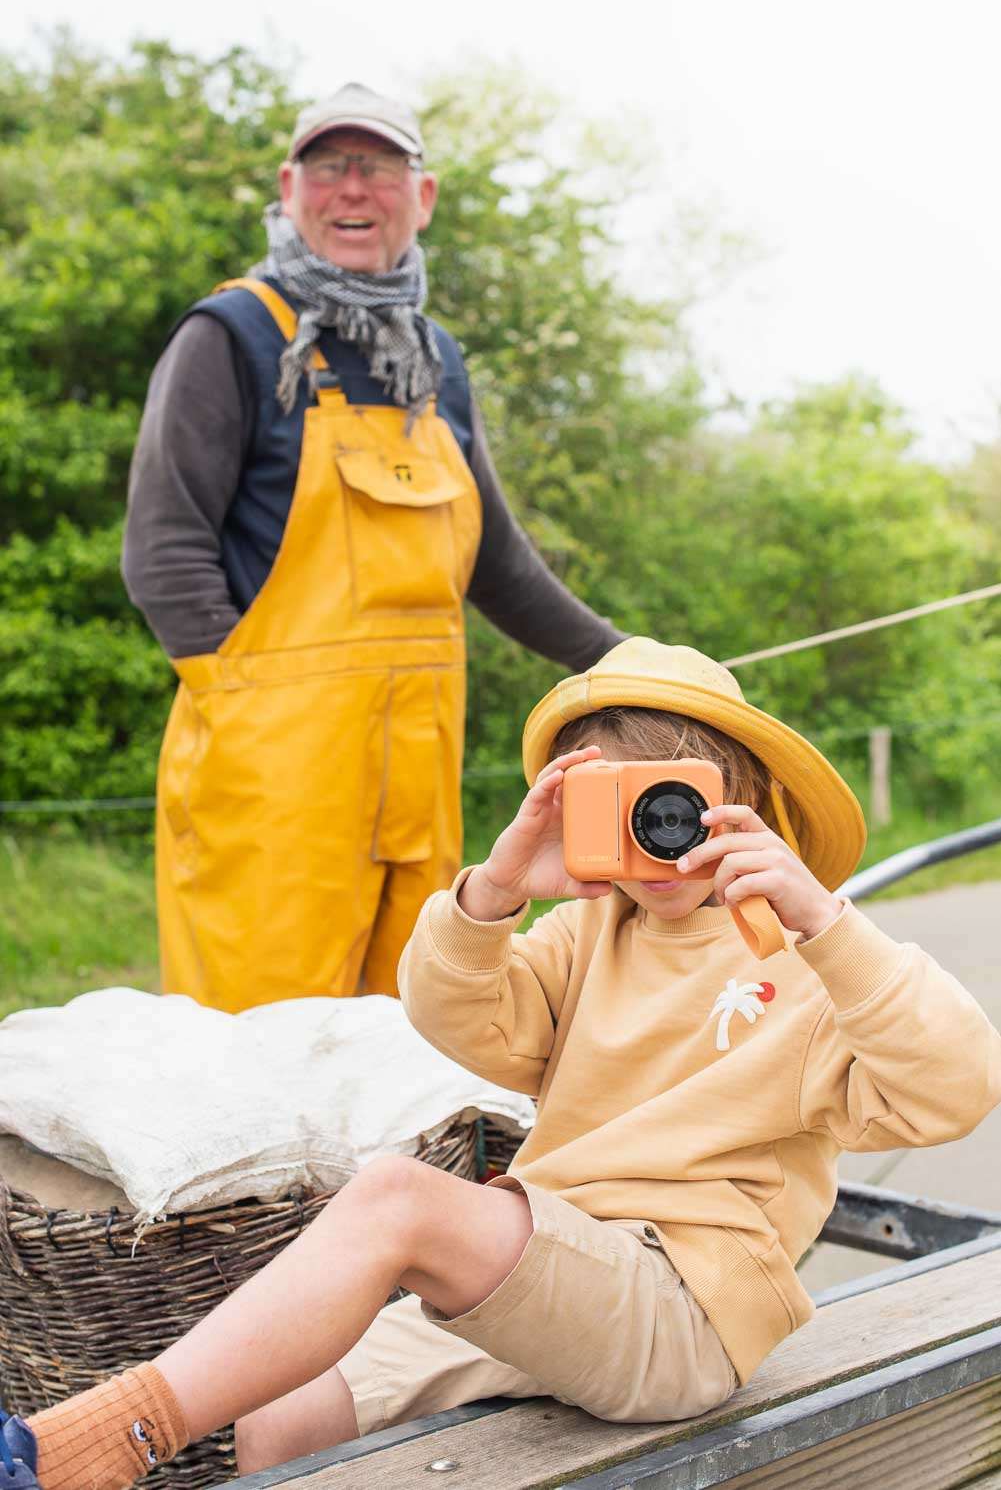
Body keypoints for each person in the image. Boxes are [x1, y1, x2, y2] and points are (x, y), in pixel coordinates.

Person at [5, 637, 1000, 1490]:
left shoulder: (804, 959)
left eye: (674, 801)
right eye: (613, 806)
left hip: (682, 1306)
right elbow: (459, 1020)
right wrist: (494, 890)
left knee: (397, 1198)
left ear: (738, 797)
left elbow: (955, 1087)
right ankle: (114, 1438)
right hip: (556, 1273)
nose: (654, 836)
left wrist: (822, 919)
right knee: (283, 1421)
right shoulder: (583, 935)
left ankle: (94, 1442)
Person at [121, 81, 623, 1013]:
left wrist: (627, 660)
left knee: (406, 1035)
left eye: (379, 166)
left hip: (416, 776)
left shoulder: (434, 361)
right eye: (329, 165)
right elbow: (161, 552)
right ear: (289, 186)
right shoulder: (229, 337)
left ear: (420, 196)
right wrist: (249, 710)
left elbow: (497, 564)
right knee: (262, 1040)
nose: (353, 188)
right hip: (270, 779)